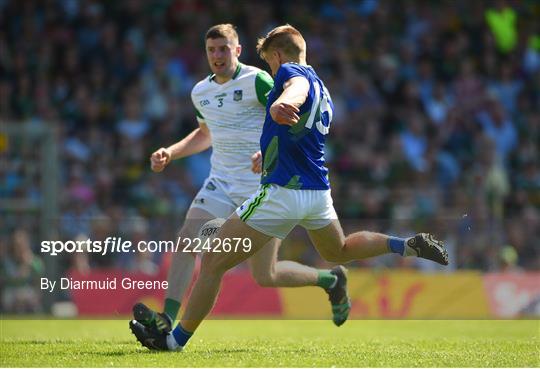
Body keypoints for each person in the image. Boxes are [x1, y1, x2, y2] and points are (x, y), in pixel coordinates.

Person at [130, 24, 448, 351]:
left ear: (277, 56)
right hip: (315, 191)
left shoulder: (286, 74)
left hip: (278, 190)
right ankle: (404, 245)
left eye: (270, 61)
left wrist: (283, 104)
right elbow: (286, 107)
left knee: (215, 263)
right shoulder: (322, 86)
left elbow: (295, 87)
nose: (270, 68)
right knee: (336, 250)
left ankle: (173, 342)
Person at [131, 24, 351, 337]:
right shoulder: (200, 92)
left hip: (263, 186)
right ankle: (167, 319)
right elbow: (206, 134)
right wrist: (172, 151)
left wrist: (270, 151)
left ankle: (331, 280)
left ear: (237, 50)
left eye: (224, 48)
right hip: (220, 183)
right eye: (212, 50)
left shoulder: (258, 80)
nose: (218, 55)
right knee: (186, 238)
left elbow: (289, 117)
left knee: (266, 275)